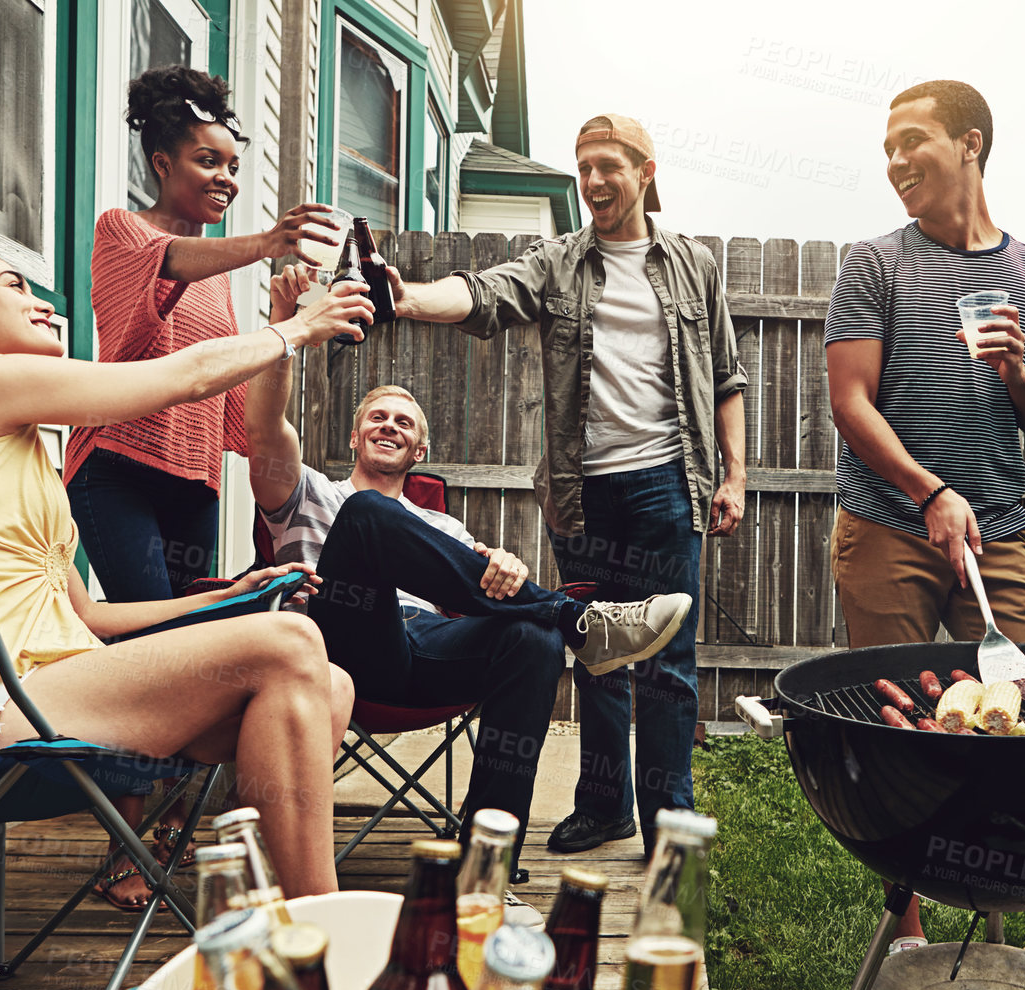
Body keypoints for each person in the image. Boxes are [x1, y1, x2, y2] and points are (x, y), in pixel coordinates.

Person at [0, 238, 371, 899]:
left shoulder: (16, 448)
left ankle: (264, 900)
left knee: (328, 685)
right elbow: (176, 381)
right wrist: (297, 327)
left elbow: (88, 616)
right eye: (16, 285)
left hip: (33, 691)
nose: (40, 303)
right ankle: (317, 928)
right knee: (293, 642)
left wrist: (227, 596)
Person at [245, 264, 691, 878]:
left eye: (404, 423)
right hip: (336, 647)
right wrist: (286, 326)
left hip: (422, 653)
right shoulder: (306, 493)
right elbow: (264, 427)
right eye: (378, 417)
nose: (390, 426)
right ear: (353, 437)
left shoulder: (448, 531)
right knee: (369, 514)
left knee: (532, 640)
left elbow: (482, 586)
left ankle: (485, 867)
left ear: (419, 451)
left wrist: (505, 566)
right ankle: (577, 620)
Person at [380, 114, 748, 857]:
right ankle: (605, 805)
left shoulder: (692, 266)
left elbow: (727, 378)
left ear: (645, 171)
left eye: (608, 165)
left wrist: (734, 475)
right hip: (582, 493)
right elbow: (484, 293)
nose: (593, 182)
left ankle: (669, 827)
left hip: (669, 482)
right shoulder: (558, 262)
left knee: (668, 659)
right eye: (583, 167)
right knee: (597, 653)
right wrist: (408, 298)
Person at [68, 65, 341, 905]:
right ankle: (121, 849)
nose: (224, 178)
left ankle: (169, 831)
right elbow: (168, 264)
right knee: (149, 655)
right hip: (117, 472)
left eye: (231, 165)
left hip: (191, 482)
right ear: (160, 163)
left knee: (201, 655)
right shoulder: (125, 232)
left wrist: (281, 333)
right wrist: (268, 242)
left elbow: (238, 408)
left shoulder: (219, 279)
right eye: (205, 162)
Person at [825, 81, 1025, 951]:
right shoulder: (876, 262)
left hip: (996, 533)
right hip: (889, 526)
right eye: (887, 146)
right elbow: (851, 404)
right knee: (897, 730)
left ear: (970, 144)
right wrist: (929, 492)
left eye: (913, 141)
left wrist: (1016, 375)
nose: (895, 162)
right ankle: (910, 931)